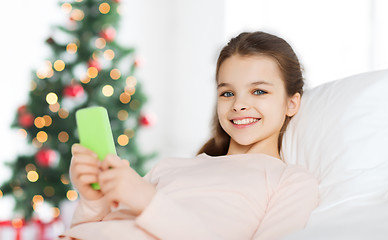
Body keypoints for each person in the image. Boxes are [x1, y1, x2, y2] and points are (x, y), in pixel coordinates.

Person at [58, 31, 319, 240]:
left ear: (291, 103)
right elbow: (89, 231)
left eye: (259, 91)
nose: (239, 104)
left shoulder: (290, 182)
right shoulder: (170, 167)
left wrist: (149, 202)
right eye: (227, 93)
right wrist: (92, 202)